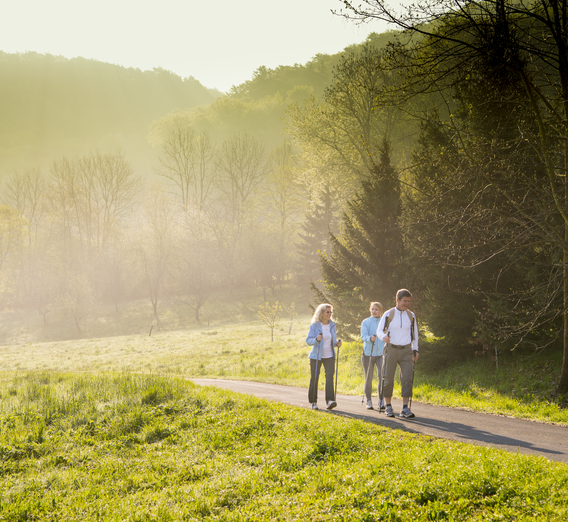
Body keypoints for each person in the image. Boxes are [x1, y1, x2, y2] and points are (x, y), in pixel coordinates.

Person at [376, 289, 419, 418]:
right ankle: (388, 406)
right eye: (405, 301)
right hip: (391, 349)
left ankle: (405, 408)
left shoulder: (411, 315)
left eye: (409, 301)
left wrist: (415, 349)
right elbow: (379, 330)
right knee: (388, 378)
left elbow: (415, 334)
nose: (407, 304)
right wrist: (384, 337)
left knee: (407, 378)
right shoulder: (389, 314)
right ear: (397, 300)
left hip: (406, 350)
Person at [306, 303, 343, 410]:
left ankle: (330, 401)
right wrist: (316, 339)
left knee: (330, 377)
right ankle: (313, 402)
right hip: (316, 356)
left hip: (329, 356)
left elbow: (332, 340)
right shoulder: (315, 326)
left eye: (331, 312)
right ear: (321, 313)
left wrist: (337, 343)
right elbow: (308, 341)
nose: (330, 314)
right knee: (315, 378)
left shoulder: (332, 325)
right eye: (327, 312)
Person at [360, 302, 385, 410]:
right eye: (372, 309)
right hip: (368, 354)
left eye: (376, 309)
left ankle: (381, 400)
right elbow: (363, 336)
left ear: (380, 311)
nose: (374, 311)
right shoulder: (366, 322)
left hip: (380, 354)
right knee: (369, 377)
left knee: (382, 376)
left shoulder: (384, 322)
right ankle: (369, 401)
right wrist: (370, 338)